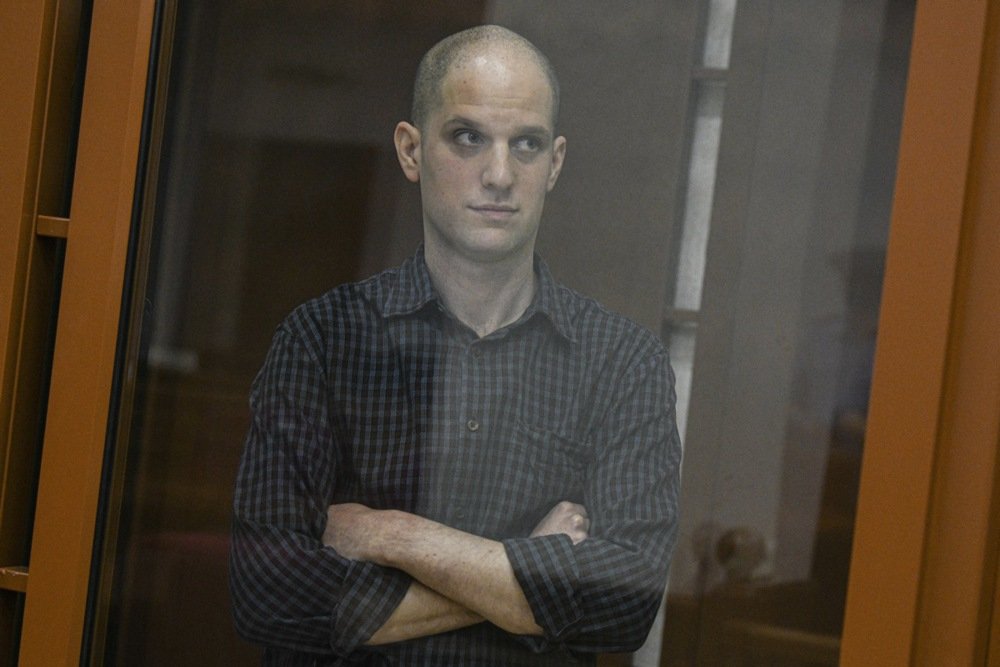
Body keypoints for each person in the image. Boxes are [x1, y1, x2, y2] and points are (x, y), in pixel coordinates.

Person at [230, 24, 682, 666]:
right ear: (411, 151)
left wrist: (392, 534)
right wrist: (532, 568)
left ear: (553, 164)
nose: (499, 174)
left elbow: (622, 606)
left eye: (525, 144)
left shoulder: (622, 364)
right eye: (468, 137)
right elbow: (268, 595)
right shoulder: (321, 341)